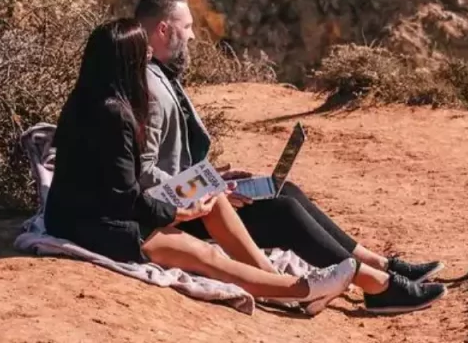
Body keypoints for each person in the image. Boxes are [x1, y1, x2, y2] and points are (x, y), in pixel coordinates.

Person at [134, 0, 448, 316]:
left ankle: (379, 265)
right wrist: (207, 186)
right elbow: (146, 173)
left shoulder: (160, 76)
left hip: (196, 197)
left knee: (287, 191)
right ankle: (379, 287)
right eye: (187, 27)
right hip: (182, 212)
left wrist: (215, 179)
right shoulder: (151, 86)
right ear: (164, 29)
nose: (193, 36)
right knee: (283, 213)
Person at [45, 18, 358, 314]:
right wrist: (180, 213)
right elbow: (124, 198)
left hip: (100, 210)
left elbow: (115, 185)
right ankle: (304, 289)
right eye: (144, 51)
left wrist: (195, 188)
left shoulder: (89, 100)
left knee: (214, 197)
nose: (150, 56)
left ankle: (272, 280)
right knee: (205, 255)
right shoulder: (112, 115)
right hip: (95, 225)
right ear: (127, 62)